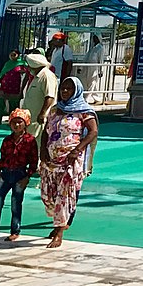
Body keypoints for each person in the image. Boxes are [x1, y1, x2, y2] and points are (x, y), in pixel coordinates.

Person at [39, 77, 98, 249]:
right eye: (63, 88)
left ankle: (59, 232)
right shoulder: (55, 110)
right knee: (49, 195)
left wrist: (77, 150)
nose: (65, 92)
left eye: (69, 89)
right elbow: (46, 131)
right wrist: (43, 150)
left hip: (71, 160)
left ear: (76, 91)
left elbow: (93, 131)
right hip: (52, 160)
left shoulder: (84, 111)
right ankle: (60, 222)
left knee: (64, 196)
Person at [0, 107, 39, 245]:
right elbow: (2, 158)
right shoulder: (7, 140)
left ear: (26, 123)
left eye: (20, 122)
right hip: (5, 174)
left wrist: (27, 177)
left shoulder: (30, 141)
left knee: (15, 203)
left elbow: (33, 161)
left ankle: (15, 230)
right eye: (14, 122)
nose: (17, 125)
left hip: (20, 174)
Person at [20, 51, 59, 142]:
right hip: (31, 117)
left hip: (38, 118)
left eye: (29, 65)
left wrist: (42, 113)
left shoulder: (46, 76)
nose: (28, 68)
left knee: (37, 141)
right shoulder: (37, 76)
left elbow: (50, 97)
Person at [0, 49, 27, 124]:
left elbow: (28, 73)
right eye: (11, 55)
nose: (12, 57)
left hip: (14, 88)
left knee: (13, 106)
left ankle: (13, 122)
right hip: (4, 86)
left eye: (14, 55)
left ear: (18, 55)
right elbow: (2, 74)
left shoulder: (22, 64)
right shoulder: (8, 64)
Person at [83, 34, 106, 104]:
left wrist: (101, 70)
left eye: (95, 38)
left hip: (94, 68)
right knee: (89, 82)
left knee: (92, 82)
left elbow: (101, 59)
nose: (94, 39)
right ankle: (96, 97)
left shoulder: (100, 48)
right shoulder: (92, 47)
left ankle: (86, 98)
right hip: (88, 67)